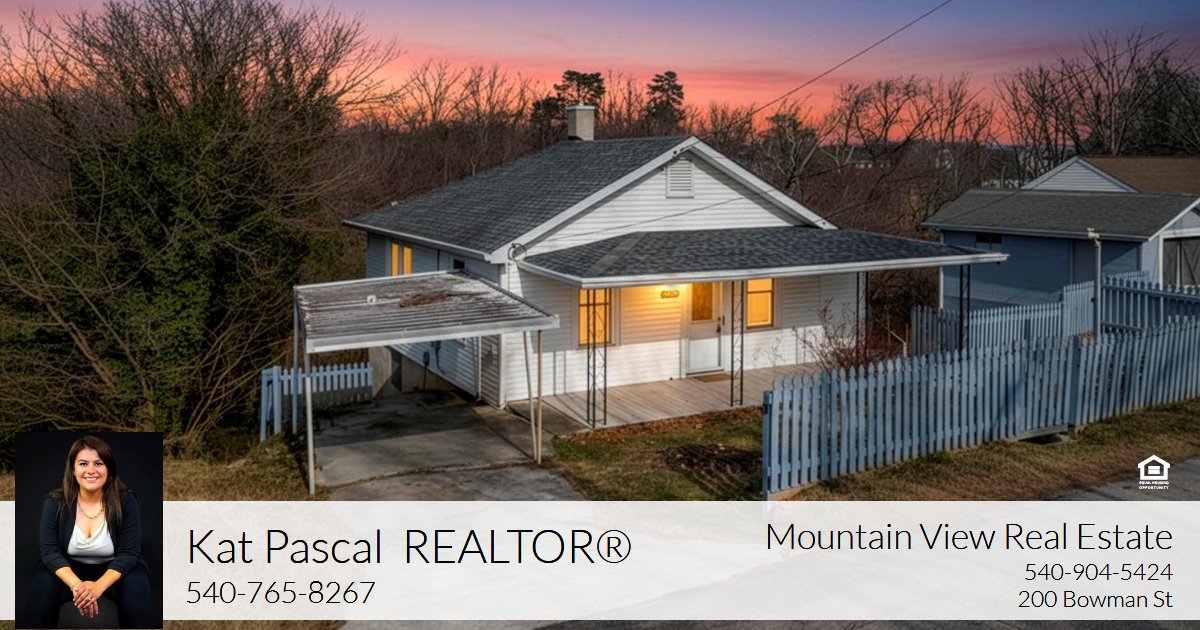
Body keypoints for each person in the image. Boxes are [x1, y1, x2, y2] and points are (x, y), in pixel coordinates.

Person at [25, 436, 155, 628]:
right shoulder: (55, 502)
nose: (91, 470)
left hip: (113, 570)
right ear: (73, 469)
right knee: (43, 581)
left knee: (137, 582)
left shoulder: (126, 501)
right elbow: (50, 552)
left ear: (109, 468)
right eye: (83, 463)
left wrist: (98, 586)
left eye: (98, 463)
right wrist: (78, 586)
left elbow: (129, 553)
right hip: (69, 570)